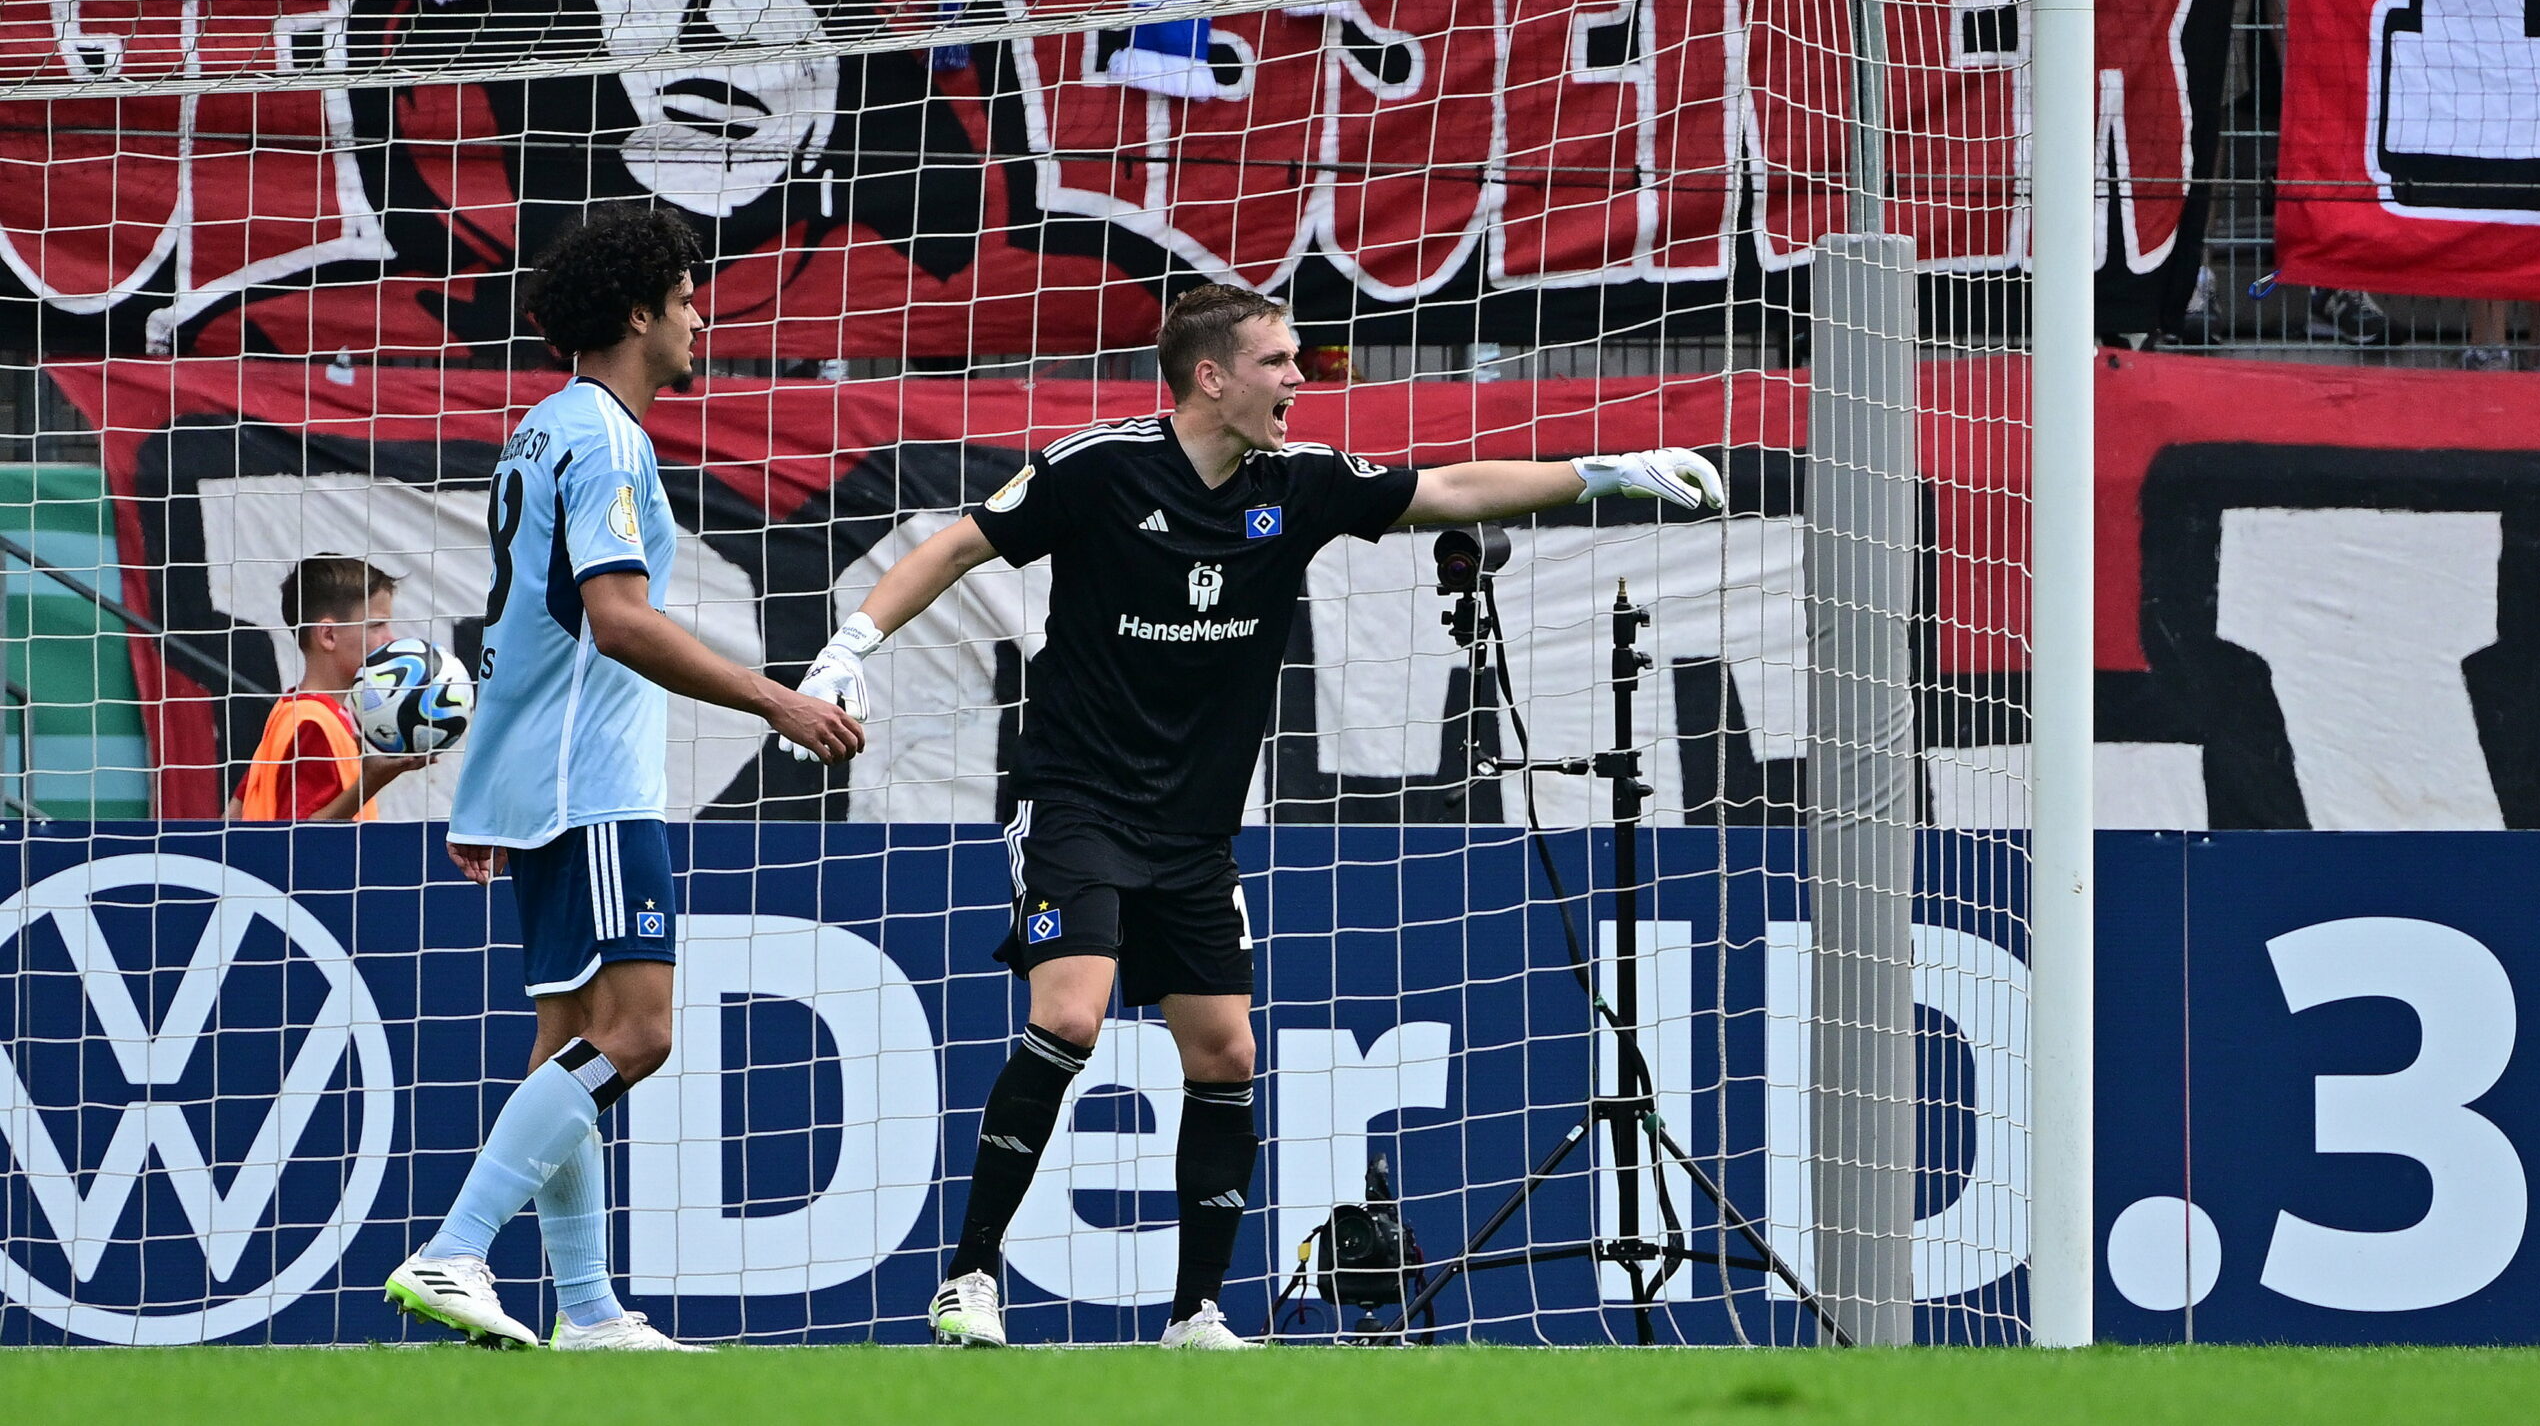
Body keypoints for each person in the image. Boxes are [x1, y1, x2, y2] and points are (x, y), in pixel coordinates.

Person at [790, 283, 1723, 1350]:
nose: (1298, 382)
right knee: (1070, 1016)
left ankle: (1194, 1313)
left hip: (1194, 830)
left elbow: (1457, 486)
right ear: (1211, 376)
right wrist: (848, 652)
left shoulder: (1301, 484)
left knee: (1226, 1053)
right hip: (1079, 800)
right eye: (1279, 362)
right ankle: (968, 1280)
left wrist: (1610, 471)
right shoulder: (1098, 468)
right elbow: (956, 545)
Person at [383, 207, 863, 1353]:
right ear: (640, 313)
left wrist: (487, 790)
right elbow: (615, 622)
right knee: (638, 1034)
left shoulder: (540, 429)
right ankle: (453, 1249)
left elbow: (521, 624)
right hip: (593, 780)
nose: (701, 317)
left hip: (538, 775)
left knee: (567, 1046)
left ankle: (589, 1308)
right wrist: (778, 699)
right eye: (689, 298)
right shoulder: (606, 437)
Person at [228, 556, 424, 821]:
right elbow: (302, 836)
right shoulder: (313, 724)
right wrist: (372, 781)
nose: (391, 638)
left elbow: (234, 812)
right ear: (328, 636)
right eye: (377, 625)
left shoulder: (293, 711)